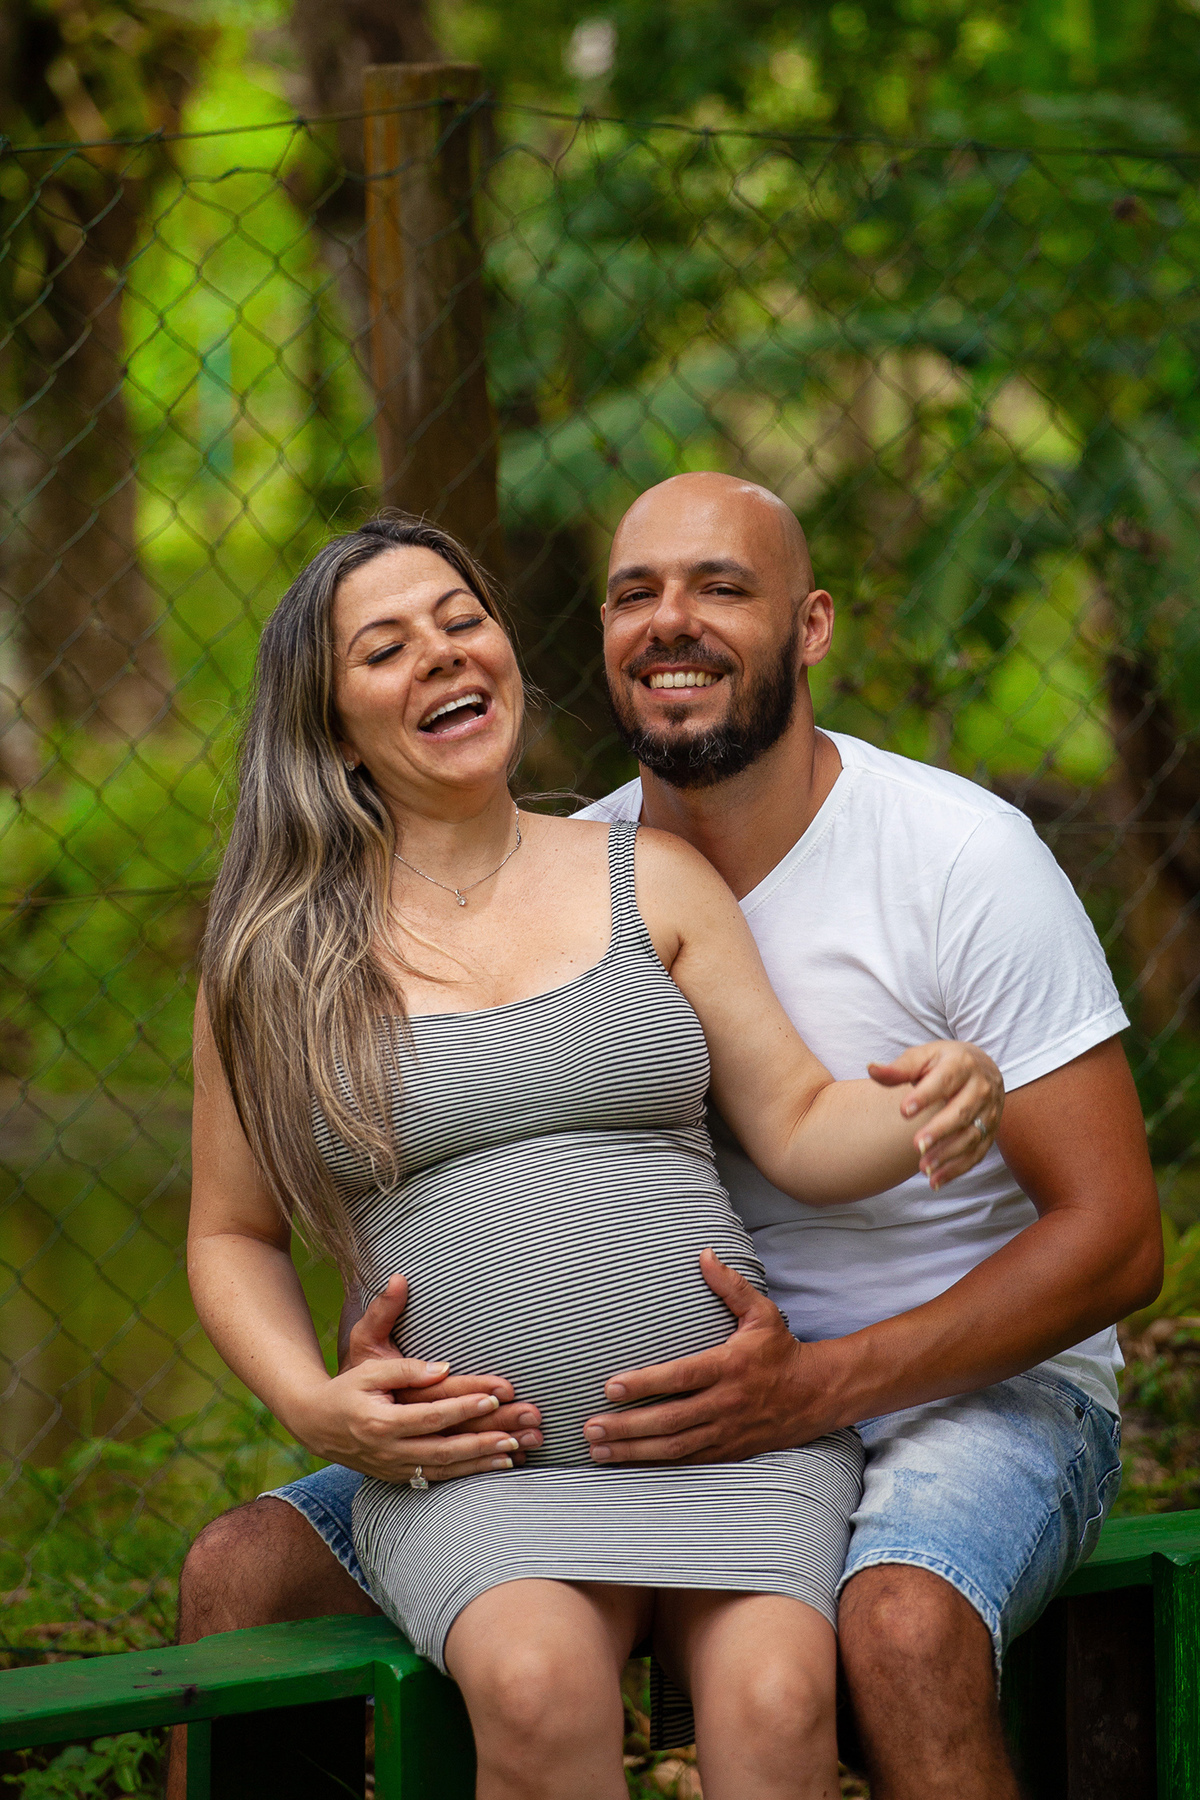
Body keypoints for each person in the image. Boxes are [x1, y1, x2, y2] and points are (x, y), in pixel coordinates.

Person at [179, 477, 1161, 1800]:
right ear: (332, 719)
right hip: (509, 1455)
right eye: (385, 647)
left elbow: (823, 1125)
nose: (440, 656)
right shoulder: (293, 948)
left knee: (810, 1678)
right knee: (503, 1675)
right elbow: (234, 1225)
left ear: (811, 626)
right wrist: (314, 1396)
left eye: (459, 619)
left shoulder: (903, 857)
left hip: (809, 1424)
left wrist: (945, 1094)